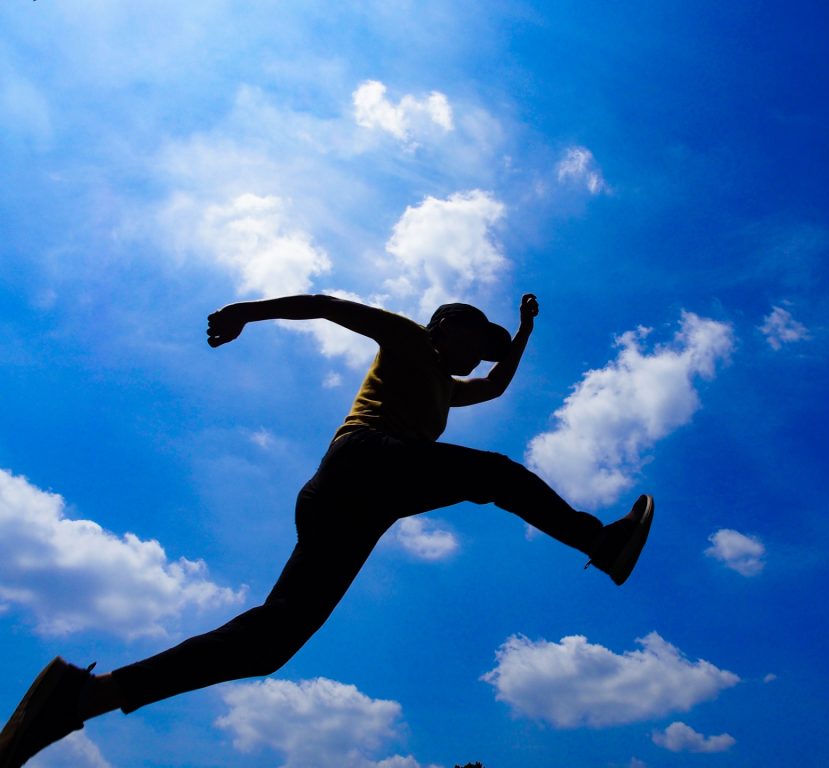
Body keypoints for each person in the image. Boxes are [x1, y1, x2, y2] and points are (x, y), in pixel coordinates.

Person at [0, 293, 654, 767]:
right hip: (363, 460)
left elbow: (498, 385)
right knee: (492, 474)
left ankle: (83, 698)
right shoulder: (407, 339)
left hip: (359, 505)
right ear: (443, 325)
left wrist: (524, 330)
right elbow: (324, 306)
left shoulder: (448, 389)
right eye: (474, 340)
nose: (475, 357)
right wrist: (244, 313)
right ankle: (599, 541)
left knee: (272, 642)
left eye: (483, 352)